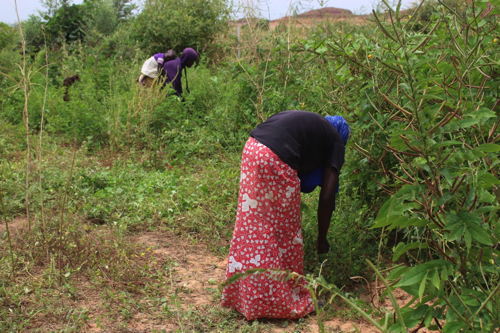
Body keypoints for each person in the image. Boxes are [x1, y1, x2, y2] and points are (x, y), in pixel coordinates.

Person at [221, 110, 350, 320]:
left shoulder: (313, 127)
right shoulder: (336, 140)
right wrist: (322, 238)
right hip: (275, 158)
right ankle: (285, 301)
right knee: (284, 233)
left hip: (252, 149)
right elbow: (327, 197)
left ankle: (245, 297)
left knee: (253, 225)